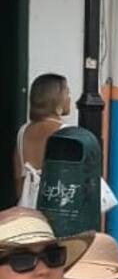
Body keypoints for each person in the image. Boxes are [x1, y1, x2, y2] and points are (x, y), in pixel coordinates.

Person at [13, 72, 70, 209]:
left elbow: (19, 184)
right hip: (55, 211)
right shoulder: (67, 133)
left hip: (28, 211)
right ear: (57, 100)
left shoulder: (23, 132)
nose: (69, 98)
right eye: (67, 93)